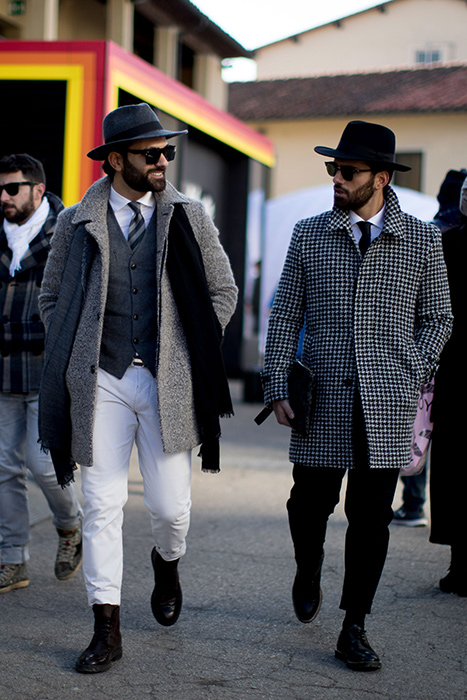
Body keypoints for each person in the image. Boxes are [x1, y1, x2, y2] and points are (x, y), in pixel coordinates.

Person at [38, 103, 237, 673]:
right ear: (115, 160)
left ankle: (166, 562)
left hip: (166, 379)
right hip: (99, 379)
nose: (163, 161)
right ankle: (106, 625)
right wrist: (77, 349)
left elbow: (223, 290)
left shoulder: (188, 216)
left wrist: (190, 347)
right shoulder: (76, 220)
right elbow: (51, 298)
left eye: (166, 151)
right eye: (151, 153)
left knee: (171, 510)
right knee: (102, 504)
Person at [261, 121, 452, 672]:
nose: (337, 179)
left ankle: (354, 626)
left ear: (381, 178)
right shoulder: (309, 233)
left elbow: (440, 317)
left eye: (347, 171)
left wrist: (410, 371)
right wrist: (276, 383)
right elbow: (285, 314)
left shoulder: (423, 239)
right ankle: (308, 569)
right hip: (322, 397)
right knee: (307, 505)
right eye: (333, 168)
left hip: (387, 402)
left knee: (370, 518)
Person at [0, 154, 83, 593]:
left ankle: (71, 526)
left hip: (48, 370)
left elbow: (71, 309)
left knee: (45, 465)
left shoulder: (66, 232)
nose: (4, 197)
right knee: (2, 468)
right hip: (3, 373)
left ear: (36, 189)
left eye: (12, 188)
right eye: (0, 188)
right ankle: (13, 557)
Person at [393, 168, 466, 528]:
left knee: (419, 425)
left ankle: (413, 502)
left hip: (432, 355)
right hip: (441, 354)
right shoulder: (443, 236)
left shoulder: (433, 234)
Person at [429, 174, 467, 596]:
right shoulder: (446, 243)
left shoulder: (448, 243)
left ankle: (460, 563)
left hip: (453, 376)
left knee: (455, 469)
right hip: (452, 375)